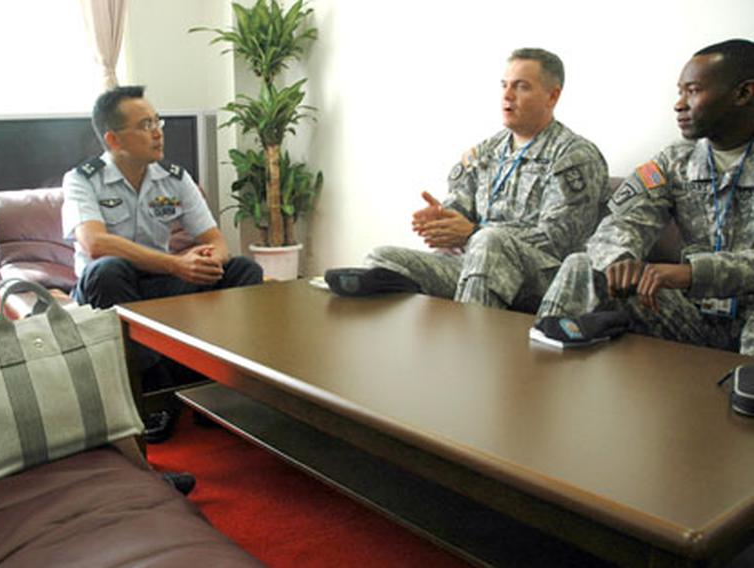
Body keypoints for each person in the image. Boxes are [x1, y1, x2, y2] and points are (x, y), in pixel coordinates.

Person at [326, 48, 608, 313]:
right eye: (504, 85)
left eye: (521, 86)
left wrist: (474, 232)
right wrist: (444, 220)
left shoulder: (574, 157)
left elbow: (559, 240)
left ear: (552, 96)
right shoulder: (487, 152)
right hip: (473, 262)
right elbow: (460, 208)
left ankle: (467, 355)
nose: (507, 96)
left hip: (545, 277)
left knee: (490, 242)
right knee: (383, 260)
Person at [62, 86, 263, 440]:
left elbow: (216, 241)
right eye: (144, 125)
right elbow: (95, 244)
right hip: (107, 286)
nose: (157, 132)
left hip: (159, 281)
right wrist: (176, 264)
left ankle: (219, 382)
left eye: (157, 121)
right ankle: (157, 394)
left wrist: (209, 260)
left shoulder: (174, 177)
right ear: (113, 139)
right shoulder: (82, 179)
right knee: (109, 269)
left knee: (244, 270)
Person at [536, 39, 754, 354]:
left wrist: (693, 273)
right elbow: (623, 220)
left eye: (692, 91)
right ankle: (538, 374)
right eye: (680, 92)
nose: (679, 104)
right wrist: (619, 259)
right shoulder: (672, 162)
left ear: (744, 93)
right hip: (693, 316)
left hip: (748, 315)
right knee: (581, 265)